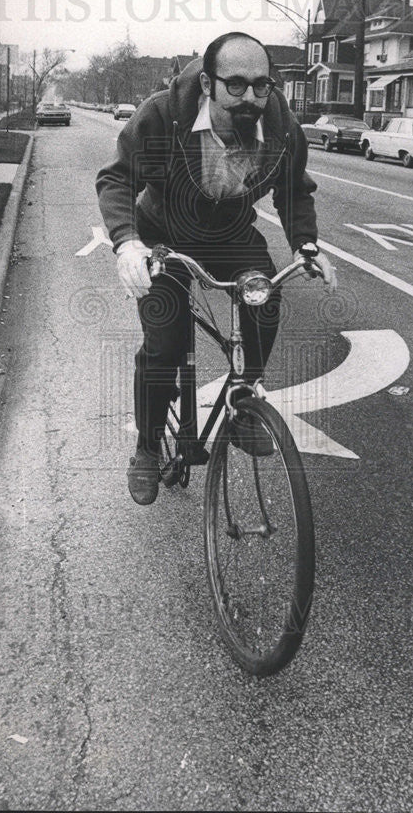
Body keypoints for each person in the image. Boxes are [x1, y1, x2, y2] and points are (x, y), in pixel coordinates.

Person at [96, 32, 337, 505]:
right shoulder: (163, 116)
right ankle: (146, 447)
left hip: (229, 233)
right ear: (207, 83)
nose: (251, 97)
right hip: (163, 234)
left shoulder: (282, 126)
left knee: (264, 298)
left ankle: (245, 398)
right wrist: (127, 244)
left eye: (262, 85)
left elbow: (293, 189)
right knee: (164, 344)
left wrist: (305, 244)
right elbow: (117, 177)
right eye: (237, 84)